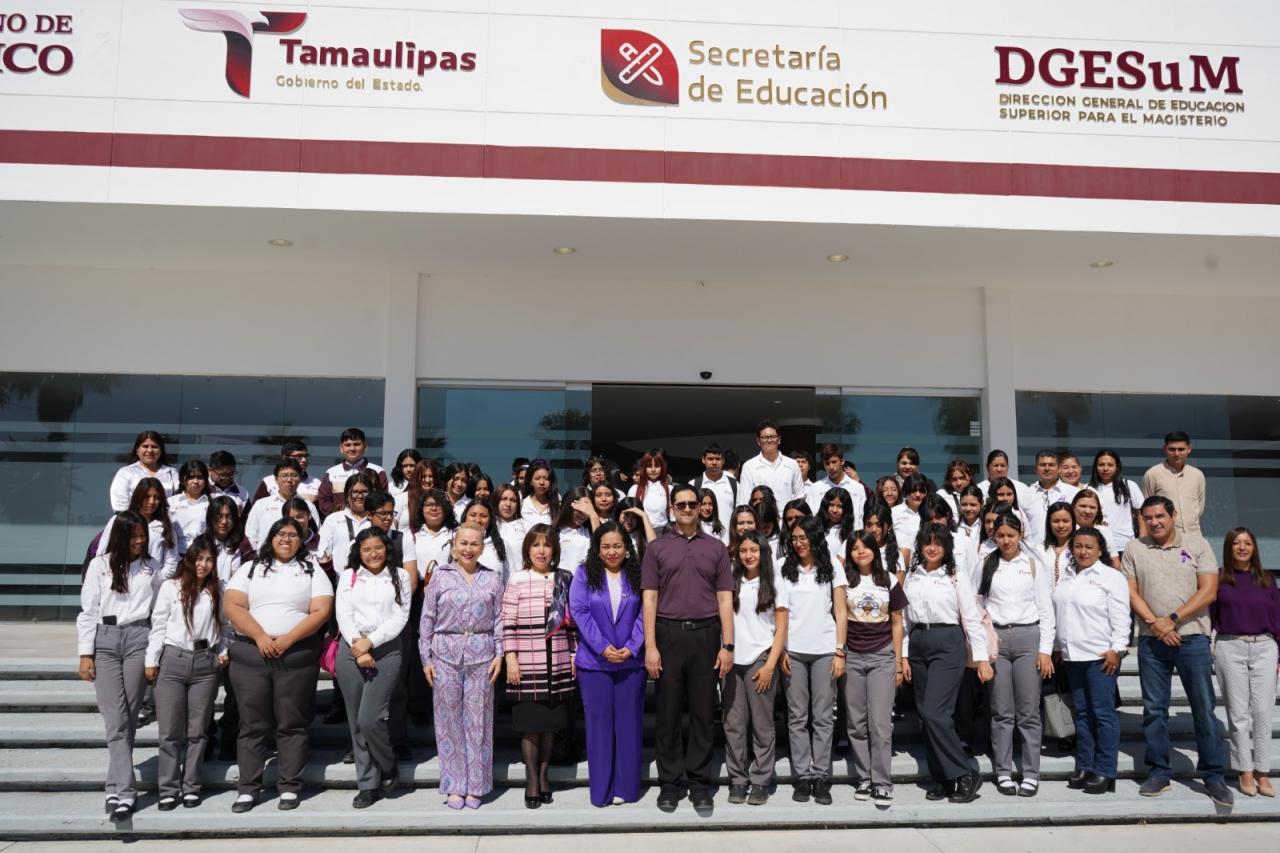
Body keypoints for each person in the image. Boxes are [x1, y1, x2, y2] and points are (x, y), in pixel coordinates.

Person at [1121, 495, 1231, 805]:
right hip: (1151, 640)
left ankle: (1213, 775)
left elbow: (1208, 591)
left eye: (1160, 516)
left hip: (1192, 639)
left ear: (1173, 516)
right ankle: (1159, 772)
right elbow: (1130, 591)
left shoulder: (1197, 544)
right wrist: (1156, 625)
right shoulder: (1134, 548)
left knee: (1203, 709)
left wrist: (1171, 619)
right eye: (1149, 517)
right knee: (1155, 710)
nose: (1154, 522)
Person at [224, 518, 333, 812]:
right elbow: (233, 605)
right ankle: (248, 788)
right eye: (281, 534)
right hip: (251, 655)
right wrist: (260, 636)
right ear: (271, 537)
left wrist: (288, 639)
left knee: (292, 723)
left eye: (293, 535)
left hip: (295, 656)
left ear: (302, 540)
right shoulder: (250, 568)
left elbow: (321, 610)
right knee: (252, 724)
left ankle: (289, 786)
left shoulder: (311, 570)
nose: (286, 539)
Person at [642, 483, 734, 814]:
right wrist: (650, 646)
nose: (686, 509)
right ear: (671, 508)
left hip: (706, 635)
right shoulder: (657, 548)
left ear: (700, 507)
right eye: (680, 505)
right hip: (668, 634)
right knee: (667, 714)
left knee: (703, 713)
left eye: (692, 504)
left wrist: (727, 645)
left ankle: (699, 783)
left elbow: (725, 599)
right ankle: (669, 783)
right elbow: (649, 599)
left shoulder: (716, 548)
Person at [901, 523, 993, 804]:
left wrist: (982, 659)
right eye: (927, 542)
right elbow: (904, 620)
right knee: (925, 715)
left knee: (935, 712)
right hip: (918, 642)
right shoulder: (912, 576)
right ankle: (942, 777)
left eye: (938, 543)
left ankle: (965, 772)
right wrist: (903, 655)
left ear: (947, 548)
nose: (932, 548)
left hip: (947, 641)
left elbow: (970, 617)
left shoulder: (955, 576)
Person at [77, 511, 158, 822]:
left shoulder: (152, 568)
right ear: (121, 536)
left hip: (140, 637)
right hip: (106, 639)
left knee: (130, 716)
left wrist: (155, 652)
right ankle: (125, 792)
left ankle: (113, 787)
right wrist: (85, 654)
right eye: (134, 535)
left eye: (143, 535)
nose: (139, 540)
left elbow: (160, 611)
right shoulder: (100, 565)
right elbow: (88, 611)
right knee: (115, 718)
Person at [419, 522, 504, 809]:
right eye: (463, 543)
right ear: (454, 546)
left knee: (479, 721)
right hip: (445, 654)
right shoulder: (440, 577)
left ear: (482, 547)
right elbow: (427, 619)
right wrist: (426, 659)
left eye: (474, 543)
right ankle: (454, 784)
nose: (468, 549)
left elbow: (499, 620)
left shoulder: (492, 579)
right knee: (448, 722)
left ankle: (476, 785)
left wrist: (500, 654)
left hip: (483, 655)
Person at [973, 514, 1056, 797]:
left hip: (1028, 637)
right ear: (993, 536)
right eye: (1001, 535)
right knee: (1001, 711)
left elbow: (1046, 609)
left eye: (1011, 535)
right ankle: (1003, 771)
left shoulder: (1032, 565)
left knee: (1028, 710)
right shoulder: (986, 563)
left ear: (1020, 535)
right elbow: (977, 606)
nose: (1006, 541)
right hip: (996, 639)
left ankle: (1031, 773)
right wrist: (981, 649)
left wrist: (1045, 650)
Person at [145, 538, 227, 810]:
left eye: (209, 560)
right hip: (173, 660)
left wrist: (223, 651)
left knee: (198, 730)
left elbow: (225, 626)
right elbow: (158, 625)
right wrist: (151, 660)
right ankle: (168, 788)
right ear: (189, 560)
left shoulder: (218, 589)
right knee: (169, 731)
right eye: (198, 559)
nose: (203, 564)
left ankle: (191, 786)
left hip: (206, 663)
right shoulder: (172, 587)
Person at [502, 525, 579, 808]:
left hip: (557, 661)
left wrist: (574, 656)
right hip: (526, 661)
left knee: (550, 726)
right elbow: (507, 621)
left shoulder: (564, 578)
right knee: (530, 726)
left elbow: (571, 623)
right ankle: (531, 780)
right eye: (536, 545)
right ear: (527, 550)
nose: (541, 551)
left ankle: (545, 777)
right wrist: (510, 656)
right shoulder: (517, 579)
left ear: (554, 550)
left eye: (547, 545)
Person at [571, 521, 646, 807]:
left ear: (627, 548)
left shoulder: (637, 573)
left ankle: (626, 788)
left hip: (631, 663)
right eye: (606, 547)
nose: (612, 552)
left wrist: (632, 646)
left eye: (617, 546)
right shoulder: (583, 573)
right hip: (594, 664)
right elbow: (579, 611)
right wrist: (602, 647)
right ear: (597, 549)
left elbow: (646, 611)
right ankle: (601, 791)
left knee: (629, 725)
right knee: (599, 727)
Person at [334, 528, 411, 808]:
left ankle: (387, 763)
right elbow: (343, 614)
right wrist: (359, 645)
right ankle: (367, 783)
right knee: (356, 722)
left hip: (387, 648)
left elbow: (400, 616)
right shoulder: (349, 576)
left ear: (386, 548)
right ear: (359, 552)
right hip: (351, 647)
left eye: (377, 547)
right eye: (366, 549)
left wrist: (370, 643)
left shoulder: (400, 576)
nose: (373, 554)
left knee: (370, 718)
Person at [1056, 527, 1130, 795]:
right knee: (1082, 713)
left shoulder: (1111, 577)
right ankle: (1085, 764)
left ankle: (1105, 770)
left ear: (1100, 550)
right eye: (1078, 546)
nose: (1083, 551)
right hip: (1072, 656)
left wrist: (1117, 649)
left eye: (1089, 547)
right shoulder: (1066, 577)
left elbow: (1122, 617)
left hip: (1100, 657)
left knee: (1103, 713)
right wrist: (1057, 647)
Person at [778, 517, 848, 805]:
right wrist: (781, 650)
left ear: (815, 537)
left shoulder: (832, 567)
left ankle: (821, 776)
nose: (798, 543)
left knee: (822, 716)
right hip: (792, 651)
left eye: (803, 537)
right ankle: (802, 776)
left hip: (824, 650)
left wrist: (840, 650)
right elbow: (779, 613)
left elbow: (841, 611)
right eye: (794, 538)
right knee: (797, 717)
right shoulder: (783, 568)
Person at [1210, 527, 1280, 798]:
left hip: (1265, 647)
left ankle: (1262, 771)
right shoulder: (1219, 578)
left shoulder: (1267, 579)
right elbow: (1211, 615)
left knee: (1262, 712)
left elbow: (1278, 617)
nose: (1242, 547)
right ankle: (1245, 770)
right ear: (1228, 548)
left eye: (1247, 543)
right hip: (1230, 646)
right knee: (1238, 714)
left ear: (1254, 548)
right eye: (1236, 543)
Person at [723, 529, 788, 806]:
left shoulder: (774, 582)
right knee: (733, 724)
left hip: (760, 658)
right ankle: (738, 779)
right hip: (732, 659)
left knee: (762, 725)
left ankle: (761, 779)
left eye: (754, 550)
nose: (748, 555)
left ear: (763, 552)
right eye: (743, 550)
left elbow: (782, 627)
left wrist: (770, 665)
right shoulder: (730, 579)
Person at [843, 531, 907, 805]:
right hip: (852, 656)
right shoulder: (844, 580)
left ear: (874, 550)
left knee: (880, 723)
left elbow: (897, 622)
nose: (860, 552)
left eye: (865, 547)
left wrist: (899, 662)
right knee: (856, 723)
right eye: (854, 548)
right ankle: (864, 778)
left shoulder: (889, 579)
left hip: (882, 656)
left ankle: (882, 782)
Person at [98, 478, 182, 580]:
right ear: (138, 496)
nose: (151, 502)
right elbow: (102, 551)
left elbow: (171, 561)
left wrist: (155, 581)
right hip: (118, 580)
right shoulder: (120, 520)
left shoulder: (166, 526)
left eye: (156, 498)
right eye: (147, 497)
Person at [244, 459, 320, 550]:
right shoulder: (261, 505)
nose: (289, 480)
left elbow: (315, 536)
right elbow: (250, 536)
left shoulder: (309, 506)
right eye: (284, 475)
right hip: (264, 556)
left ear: (300, 479)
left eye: (294, 475)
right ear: (276, 479)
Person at [1141, 431, 1206, 538]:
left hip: (1194, 536)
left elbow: (1199, 508)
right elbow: (1146, 509)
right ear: (1164, 449)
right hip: (1165, 538)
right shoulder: (1152, 474)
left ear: (1189, 449)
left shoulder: (1197, 475)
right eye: (1172, 449)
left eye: (1181, 449)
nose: (1176, 454)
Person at [316, 428, 388, 518]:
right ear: (341, 448)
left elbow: (383, 499)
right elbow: (324, 501)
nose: (352, 448)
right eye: (347, 445)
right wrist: (340, 514)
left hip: (369, 521)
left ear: (365, 446)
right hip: (339, 521)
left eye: (357, 444)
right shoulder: (331, 473)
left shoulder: (378, 471)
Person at [317, 470, 379, 572]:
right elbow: (322, 552)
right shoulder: (333, 520)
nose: (360, 496)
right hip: (340, 578)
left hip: (372, 578)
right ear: (346, 495)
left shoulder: (378, 518)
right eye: (355, 492)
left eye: (364, 492)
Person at [738, 419, 805, 508]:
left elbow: (799, 496)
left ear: (779, 439)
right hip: (760, 516)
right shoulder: (749, 466)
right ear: (758, 441)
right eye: (765, 437)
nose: (769, 440)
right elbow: (744, 500)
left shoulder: (792, 464)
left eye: (773, 436)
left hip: (786, 516)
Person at [1087, 449, 1144, 552]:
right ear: (1095, 467)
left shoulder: (1129, 486)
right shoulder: (1088, 489)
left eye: (1110, 465)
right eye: (1101, 465)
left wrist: (1142, 540)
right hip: (1096, 546)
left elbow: (1141, 514)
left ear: (1117, 467)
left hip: (1125, 545)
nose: (1105, 468)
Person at [109, 430, 179, 511]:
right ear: (137, 450)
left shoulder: (171, 473)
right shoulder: (126, 473)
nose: (150, 450)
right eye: (145, 446)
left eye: (154, 447)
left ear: (161, 451)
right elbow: (120, 504)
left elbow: (178, 501)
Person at [1024, 450, 1080, 548]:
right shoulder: (1026, 494)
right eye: (1042, 465)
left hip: (1067, 551)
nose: (1047, 468)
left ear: (1059, 469)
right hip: (1034, 552)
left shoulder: (1074, 493)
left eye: (1051, 465)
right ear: (1036, 469)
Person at [252, 440, 322, 506]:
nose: (304, 460)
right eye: (299, 456)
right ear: (285, 457)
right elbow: (258, 509)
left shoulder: (316, 483)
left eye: (306, 456)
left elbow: (319, 512)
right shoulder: (268, 482)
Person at [813, 444, 867, 523]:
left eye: (834, 462)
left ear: (842, 461)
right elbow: (813, 518)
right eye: (827, 463)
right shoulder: (815, 488)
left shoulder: (857, 488)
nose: (831, 467)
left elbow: (861, 518)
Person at [691, 442, 737, 530]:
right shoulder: (693, 484)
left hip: (728, 538)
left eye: (718, 459)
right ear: (703, 460)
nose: (714, 462)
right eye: (710, 459)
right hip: (700, 537)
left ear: (723, 460)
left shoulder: (734, 485)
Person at [552, 486, 596, 573]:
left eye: (587, 511)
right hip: (561, 580)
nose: (582, 515)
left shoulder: (592, 530)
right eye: (579, 510)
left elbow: (601, 545)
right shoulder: (554, 532)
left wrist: (593, 515)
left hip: (585, 580)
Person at [1070, 490, 1120, 568]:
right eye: (1082, 506)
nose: (1087, 511)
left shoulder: (1104, 532)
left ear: (1098, 511)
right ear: (1073, 507)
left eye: (1092, 507)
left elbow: (1115, 564)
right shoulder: (1065, 530)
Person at [168, 460, 210, 550]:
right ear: (182, 480)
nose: (196, 481)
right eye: (191, 477)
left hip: (203, 553)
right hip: (176, 553)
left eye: (200, 477)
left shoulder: (211, 503)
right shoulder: (171, 503)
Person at [627, 449, 672, 533]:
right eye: (649, 466)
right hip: (641, 533)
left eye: (657, 466)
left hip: (663, 533)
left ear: (662, 467)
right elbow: (629, 516)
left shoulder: (669, 489)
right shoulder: (634, 489)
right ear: (644, 468)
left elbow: (673, 518)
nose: (653, 469)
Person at [863, 500, 907, 582]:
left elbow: (898, 586)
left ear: (889, 527)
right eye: (869, 525)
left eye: (879, 525)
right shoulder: (856, 549)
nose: (873, 529)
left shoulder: (896, 555)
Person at [491, 484, 527, 582]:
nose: (508, 504)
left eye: (513, 500)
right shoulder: (489, 524)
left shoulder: (527, 526)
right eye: (504, 499)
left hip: (520, 581)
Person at [1039, 501, 1077, 582]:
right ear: (1049, 523)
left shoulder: (1080, 549)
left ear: (1073, 522)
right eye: (1056, 521)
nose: (1061, 525)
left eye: (1065, 521)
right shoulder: (1039, 550)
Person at [398, 458, 440, 530]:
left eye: (431, 476)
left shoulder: (441, 500)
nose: (427, 480)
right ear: (417, 477)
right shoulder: (401, 498)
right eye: (423, 476)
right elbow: (392, 526)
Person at [818, 487, 856, 569]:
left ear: (846, 509)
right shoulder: (816, 527)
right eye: (831, 505)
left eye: (840, 506)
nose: (835, 510)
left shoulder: (849, 534)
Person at [891, 473, 931, 548]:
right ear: (906, 492)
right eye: (914, 491)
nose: (918, 495)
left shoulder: (930, 514)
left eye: (922, 491)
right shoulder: (893, 513)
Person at [521, 459, 560, 526]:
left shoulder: (558, 505)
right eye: (537, 478)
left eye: (546, 478)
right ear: (531, 482)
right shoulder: (522, 504)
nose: (541, 482)